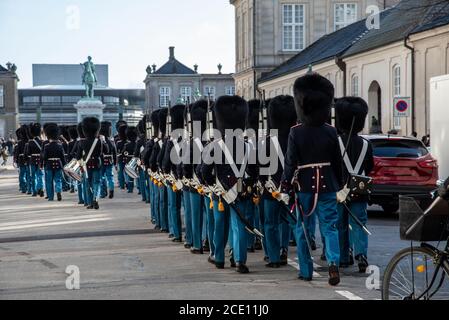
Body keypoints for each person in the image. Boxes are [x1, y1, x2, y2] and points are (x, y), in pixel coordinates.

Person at [282, 73, 344, 286]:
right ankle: (334, 262)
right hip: (327, 184)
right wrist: (342, 183)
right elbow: (337, 161)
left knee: (302, 228)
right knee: (330, 227)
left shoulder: (296, 132)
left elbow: (290, 162)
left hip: (305, 185)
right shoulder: (330, 131)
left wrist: (284, 185)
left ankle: (306, 270)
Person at [335, 97, 374, 273]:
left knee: (340, 223)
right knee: (359, 222)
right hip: (360, 188)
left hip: (340, 188)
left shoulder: (336, 142)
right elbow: (370, 166)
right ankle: (361, 254)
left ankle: (344, 257)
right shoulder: (366, 143)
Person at [260, 95, 297, 268]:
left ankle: (274, 256)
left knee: (270, 223)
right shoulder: (295, 139)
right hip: (289, 187)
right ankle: (283, 249)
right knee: (287, 220)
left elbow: (260, 167)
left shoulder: (266, 142)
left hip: (271, 188)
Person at [76, 117, 108, 210]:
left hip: (87, 164)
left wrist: (81, 165)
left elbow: (78, 156)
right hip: (97, 163)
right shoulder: (99, 141)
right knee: (97, 183)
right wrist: (104, 140)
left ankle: (90, 203)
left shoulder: (82, 142)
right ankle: (96, 198)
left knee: (88, 184)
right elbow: (107, 150)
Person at [42, 123, 66, 201]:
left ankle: (50, 197)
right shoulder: (60, 146)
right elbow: (62, 157)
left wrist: (44, 164)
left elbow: (45, 157)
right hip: (58, 164)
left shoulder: (47, 146)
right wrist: (64, 165)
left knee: (49, 182)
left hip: (49, 165)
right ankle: (58, 191)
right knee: (58, 179)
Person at [25, 123, 45, 197]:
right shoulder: (42, 142)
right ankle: (41, 188)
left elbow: (28, 153)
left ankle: (34, 191)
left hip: (32, 160)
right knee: (40, 175)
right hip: (40, 160)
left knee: (33, 176)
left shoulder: (30, 142)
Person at [100, 121, 116, 199]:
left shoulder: (100, 141)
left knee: (102, 176)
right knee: (110, 177)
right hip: (109, 160)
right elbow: (115, 153)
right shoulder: (112, 141)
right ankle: (111, 190)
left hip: (101, 160)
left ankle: (103, 192)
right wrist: (115, 163)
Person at [13, 126, 29, 193]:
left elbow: (17, 153)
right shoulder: (29, 141)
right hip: (28, 159)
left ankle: (23, 187)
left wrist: (15, 160)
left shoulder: (19, 143)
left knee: (22, 175)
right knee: (28, 174)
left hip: (21, 160)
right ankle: (28, 187)